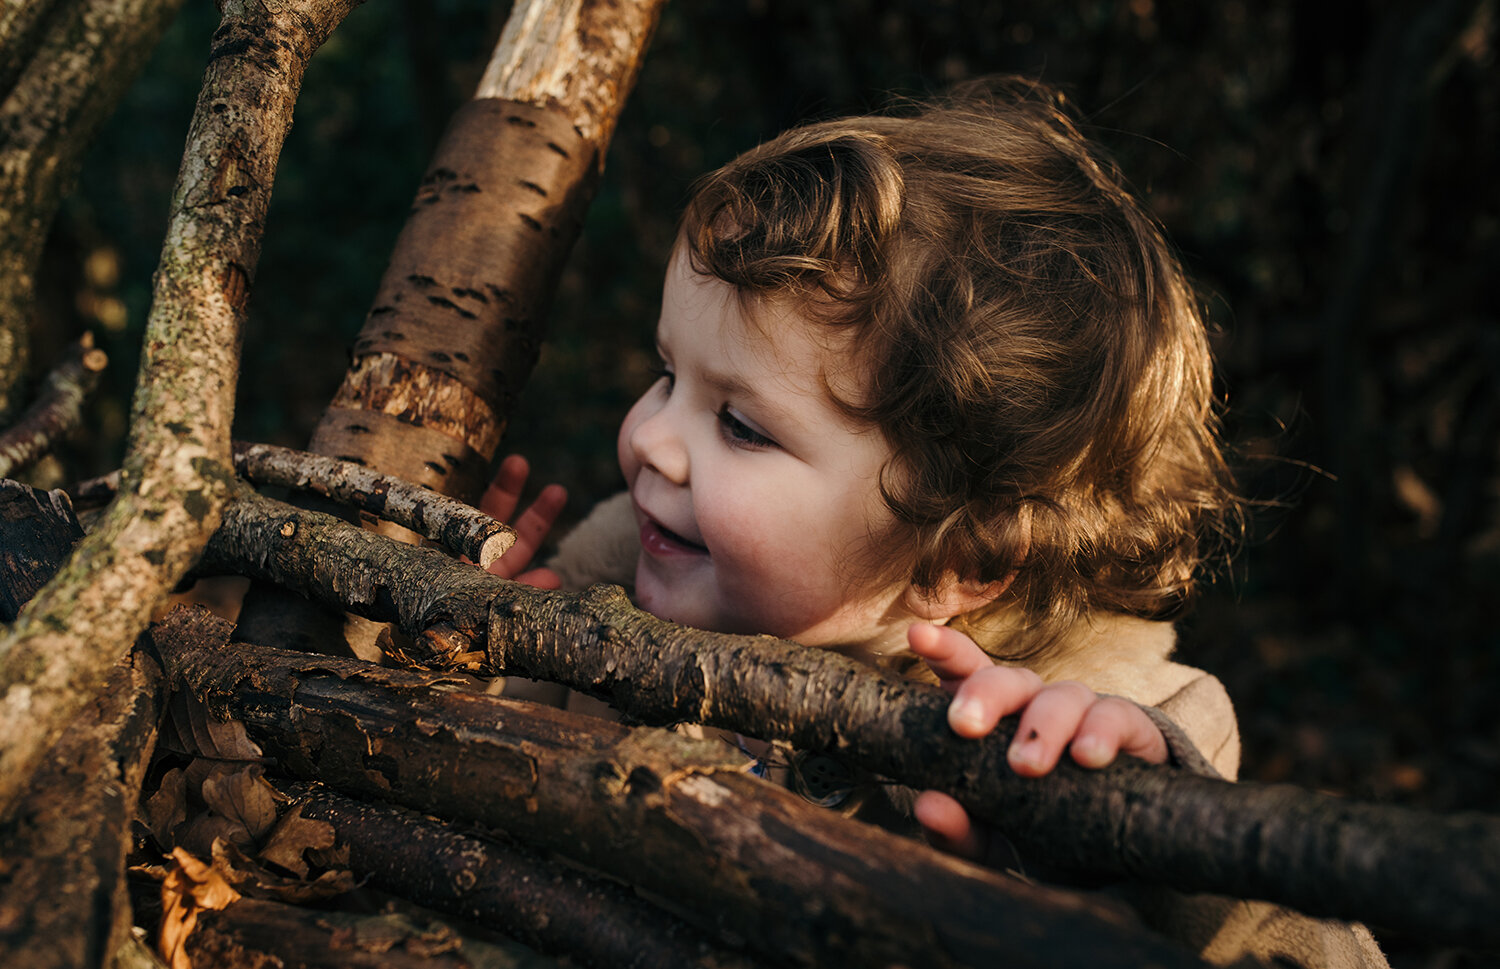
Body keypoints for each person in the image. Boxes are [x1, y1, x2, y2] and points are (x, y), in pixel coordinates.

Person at [477, 77, 1387, 968]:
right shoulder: (613, 587)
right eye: (667, 374)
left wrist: (1149, 857)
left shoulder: (1113, 724)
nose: (650, 441)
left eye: (742, 426)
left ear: (960, 560)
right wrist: (455, 633)